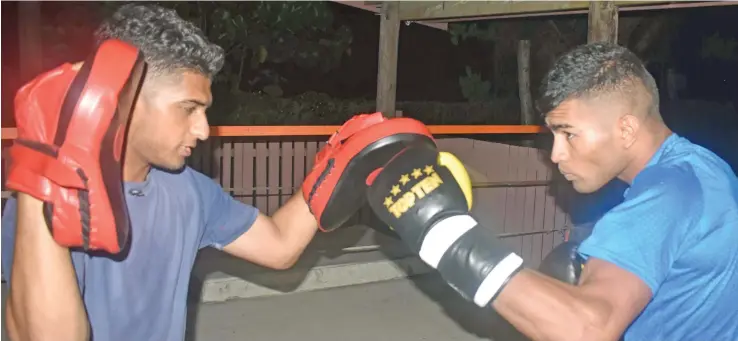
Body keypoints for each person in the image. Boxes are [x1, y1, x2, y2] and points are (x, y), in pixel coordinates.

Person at [1, 4, 422, 341]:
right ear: (123, 101)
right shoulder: (42, 201)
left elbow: (279, 247)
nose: (204, 130)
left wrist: (338, 166)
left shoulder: (190, 192)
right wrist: (42, 175)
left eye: (205, 111)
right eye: (188, 109)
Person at [364, 42, 738, 341]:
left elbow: (586, 329)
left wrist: (443, 231)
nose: (557, 154)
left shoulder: (667, 195)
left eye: (569, 133)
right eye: (553, 135)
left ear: (625, 129)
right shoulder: (704, 168)